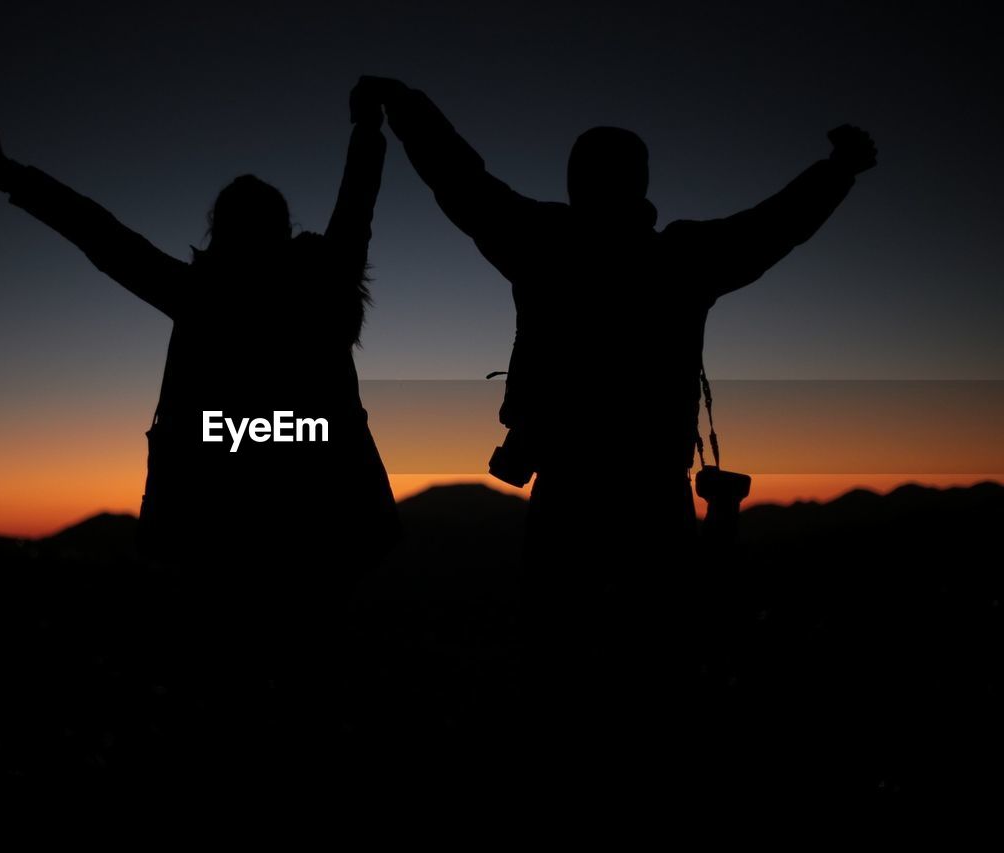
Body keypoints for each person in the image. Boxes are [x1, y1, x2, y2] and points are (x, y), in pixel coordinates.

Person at [352, 76, 877, 744]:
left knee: (556, 659)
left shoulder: (540, 242)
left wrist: (401, 104)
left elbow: (459, 178)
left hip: (566, 493)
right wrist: (837, 171)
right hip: (654, 498)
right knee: (657, 664)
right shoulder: (682, 258)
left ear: (577, 181)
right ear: (641, 182)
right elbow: (776, 226)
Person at [0, 95, 400, 747]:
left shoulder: (203, 296)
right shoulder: (324, 290)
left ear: (218, 232)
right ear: (281, 231)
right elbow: (358, 199)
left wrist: (10, 171)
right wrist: (369, 126)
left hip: (222, 529)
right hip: (321, 528)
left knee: (233, 696)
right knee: (308, 691)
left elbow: (100, 234)